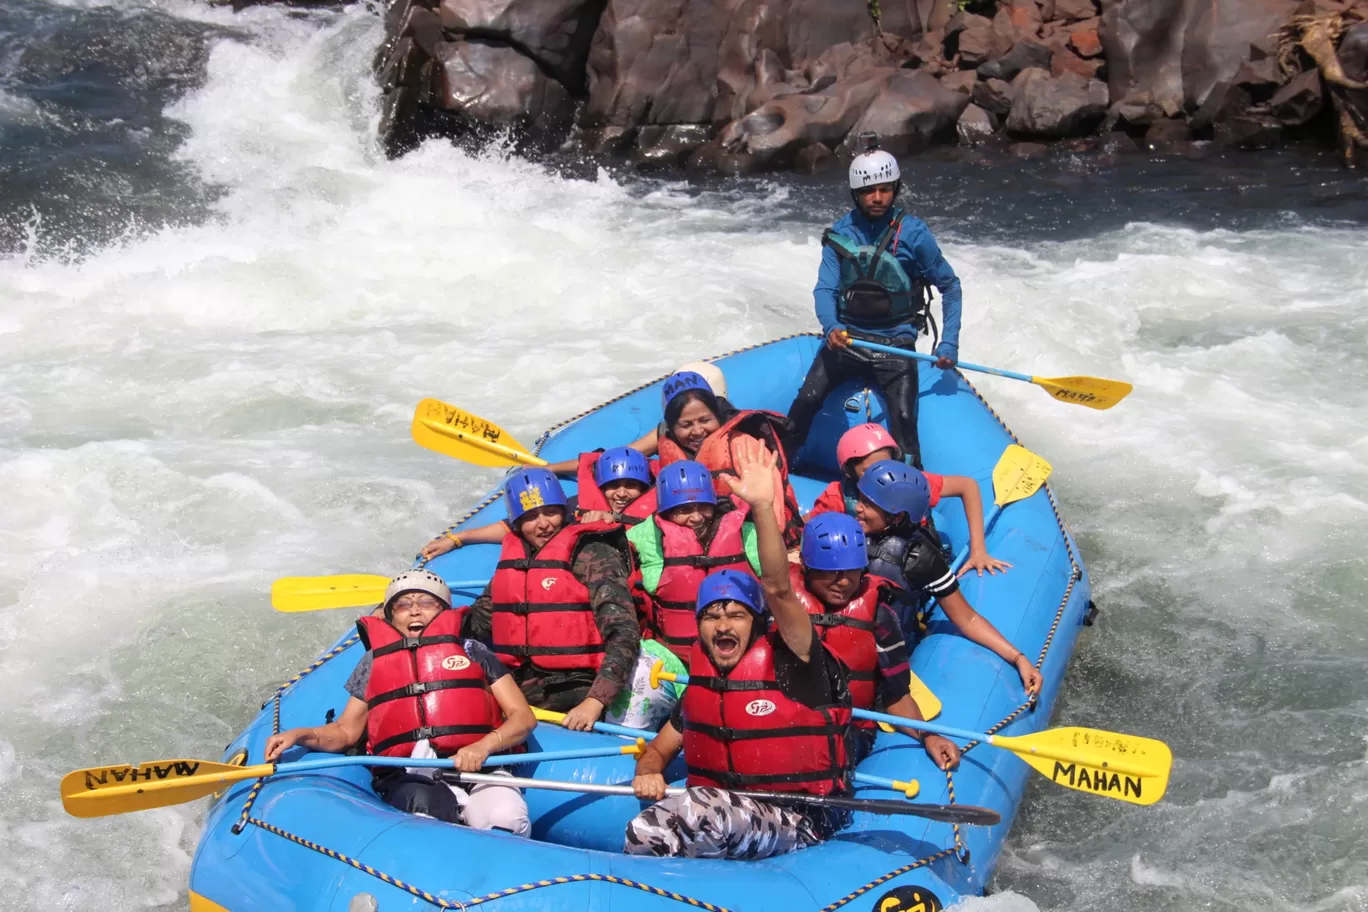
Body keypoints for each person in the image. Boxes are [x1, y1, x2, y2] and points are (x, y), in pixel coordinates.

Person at [623, 438, 853, 860]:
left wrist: (764, 508)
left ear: (758, 622)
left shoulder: (795, 660)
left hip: (801, 819)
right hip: (730, 817)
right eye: (712, 617)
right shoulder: (703, 683)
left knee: (691, 815)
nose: (723, 625)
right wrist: (650, 771)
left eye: (736, 615)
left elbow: (779, 588)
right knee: (665, 824)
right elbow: (658, 749)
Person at [264, 570, 535, 833]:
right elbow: (346, 732)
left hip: (482, 769)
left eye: (426, 602)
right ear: (391, 617)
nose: (415, 610)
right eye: (403, 605)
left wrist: (482, 747)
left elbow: (522, 717)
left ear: (445, 610)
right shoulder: (373, 662)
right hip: (411, 773)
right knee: (424, 808)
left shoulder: (473, 651)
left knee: (506, 818)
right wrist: (300, 735)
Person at [785, 133, 963, 470]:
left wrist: (948, 343)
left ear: (896, 188)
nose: (877, 197)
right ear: (856, 194)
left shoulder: (914, 234)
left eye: (885, 189)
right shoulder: (841, 234)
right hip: (848, 339)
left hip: (896, 343)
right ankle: (779, 472)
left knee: (905, 419)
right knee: (806, 400)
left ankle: (912, 502)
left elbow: (950, 287)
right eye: (868, 191)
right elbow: (824, 290)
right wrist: (832, 327)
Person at [460, 468, 643, 731]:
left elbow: (623, 631)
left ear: (565, 512)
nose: (543, 524)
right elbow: (479, 622)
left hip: (577, 686)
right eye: (531, 516)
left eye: (551, 512)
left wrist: (595, 700)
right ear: (516, 523)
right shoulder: (516, 561)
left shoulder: (592, 553)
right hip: (515, 687)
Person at [855, 460, 1042, 695]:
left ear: (896, 516)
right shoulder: (847, 536)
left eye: (869, 504)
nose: (857, 508)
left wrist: (1019, 658)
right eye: (860, 499)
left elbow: (967, 619)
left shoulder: (920, 558)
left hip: (887, 658)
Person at [792, 511, 960, 769]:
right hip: (788, 725)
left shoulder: (879, 615)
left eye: (853, 570)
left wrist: (928, 736)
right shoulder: (782, 606)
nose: (845, 581)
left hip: (847, 732)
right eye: (832, 571)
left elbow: (897, 697)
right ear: (806, 566)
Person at [807, 423, 1010, 577]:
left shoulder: (907, 482)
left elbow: (968, 486)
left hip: (917, 558)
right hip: (872, 564)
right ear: (850, 471)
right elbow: (808, 528)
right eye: (869, 471)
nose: (881, 474)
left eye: (886, 465)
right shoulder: (837, 496)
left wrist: (978, 550)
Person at [419, 447, 656, 561]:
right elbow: (513, 525)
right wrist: (457, 538)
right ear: (600, 485)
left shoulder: (659, 512)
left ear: (646, 488)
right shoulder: (577, 508)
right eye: (613, 485)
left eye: (632, 485)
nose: (622, 494)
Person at [626, 459, 761, 660]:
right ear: (666, 512)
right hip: (673, 657)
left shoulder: (745, 531)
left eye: (703, 506)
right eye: (684, 510)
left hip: (741, 652)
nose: (697, 517)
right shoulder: (647, 537)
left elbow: (774, 574)